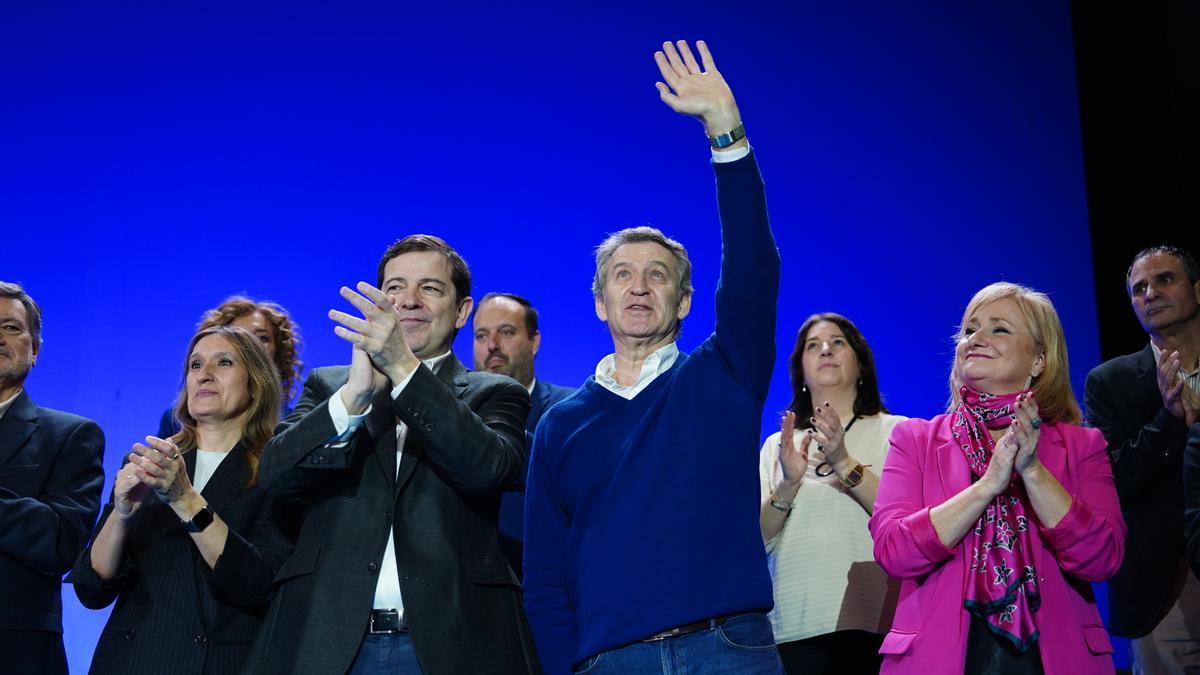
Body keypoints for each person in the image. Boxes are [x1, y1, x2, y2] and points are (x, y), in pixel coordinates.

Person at [524, 40, 783, 675]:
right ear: (600, 303)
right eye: (622, 275)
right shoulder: (559, 424)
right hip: (611, 662)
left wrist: (726, 132)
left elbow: (753, 269)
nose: (639, 286)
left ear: (685, 301)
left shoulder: (726, 373)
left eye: (658, 275)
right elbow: (546, 576)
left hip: (728, 649)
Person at [246, 235, 539, 674]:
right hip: (327, 641)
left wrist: (403, 368)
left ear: (462, 312)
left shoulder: (495, 392)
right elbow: (275, 475)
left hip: (452, 643)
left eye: (430, 288)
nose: (409, 301)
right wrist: (354, 399)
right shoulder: (330, 386)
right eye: (395, 288)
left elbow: (487, 469)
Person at [870, 282, 1125, 673]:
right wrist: (987, 486)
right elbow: (894, 552)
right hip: (938, 658)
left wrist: (1033, 471)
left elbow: (1102, 558)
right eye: (970, 330)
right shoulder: (915, 440)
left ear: (1039, 360)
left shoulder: (1082, 446)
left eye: (999, 329)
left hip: (1056, 657)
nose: (975, 339)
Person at [68, 325, 295, 673]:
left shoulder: (277, 468)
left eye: (224, 362)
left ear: (256, 382)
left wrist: (185, 499)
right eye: (195, 365)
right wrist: (121, 515)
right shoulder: (148, 461)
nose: (204, 375)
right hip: (132, 660)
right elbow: (92, 588)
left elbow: (257, 584)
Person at [759, 313, 904, 673]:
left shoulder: (898, 432)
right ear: (801, 372)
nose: (825, 350)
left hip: (876, 623)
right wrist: (787, 485)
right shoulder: (778, 445)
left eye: (838, 342)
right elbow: (757, 539)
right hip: (794, 627)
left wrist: (843, 462)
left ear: (861, 364)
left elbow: (906, 523)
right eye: (813, 346)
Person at [1086, 245, 1200, 673]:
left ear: (1197, 290)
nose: (1150, 293)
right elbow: (1111, 480)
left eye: (1165, 279)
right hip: (1163, 585)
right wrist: (1168, 421)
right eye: (1139, 288)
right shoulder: (1109, 381)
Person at [0, 281, 105, 675]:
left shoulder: (70, 435)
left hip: (14, 651)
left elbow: (62, 540)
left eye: (11, 327)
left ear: (35, 351)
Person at [472, 292, 574, 577]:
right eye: (481, 336)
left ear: (535, 341)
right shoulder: (455, 414)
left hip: (541, 578)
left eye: (506, 332)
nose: (492, 345)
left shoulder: (569, 411)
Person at [158, 296, 303, 437]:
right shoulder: (177, 421)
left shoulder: (295, 425)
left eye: (261, 338)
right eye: (237, 336)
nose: (250, 346)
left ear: (279, 352)